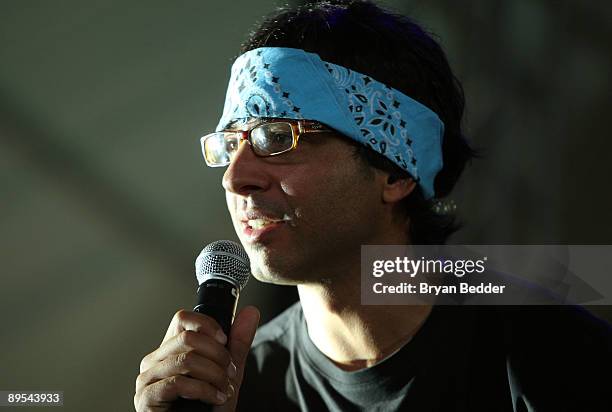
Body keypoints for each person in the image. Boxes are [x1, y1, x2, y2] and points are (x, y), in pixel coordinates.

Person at [134, 1, 611, 411]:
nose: (236, 178)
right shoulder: (236, 387)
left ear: (396, 172)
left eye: (277, 139)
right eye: (229, 146)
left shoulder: (549, 352)